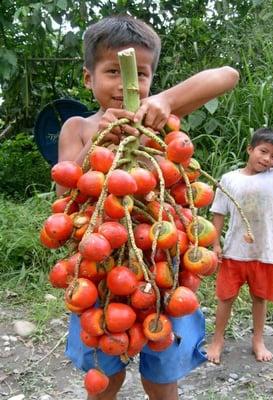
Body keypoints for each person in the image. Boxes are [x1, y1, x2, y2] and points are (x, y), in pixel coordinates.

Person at [57, 14, 239, 400]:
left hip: (164, 272)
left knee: (162, 375)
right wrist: (103, 137)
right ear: (88, 78)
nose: (128, 84)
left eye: (140, 74)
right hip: (99, 273)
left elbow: (228, 75)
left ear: (151, 80)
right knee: (104, 374)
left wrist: (167, 101)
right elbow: (66, 185)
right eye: (113, 71)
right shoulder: (78, 127)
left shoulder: (156, 119)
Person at [207, 127, 273, 365]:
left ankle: (258, 340)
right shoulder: (229, 178)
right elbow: (218, 213)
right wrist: (215, 243)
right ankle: (217, 340)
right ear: (250, 149)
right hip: (234, 250)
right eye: (263, 151)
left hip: (264, 252)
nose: (267, 159)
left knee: (260, 297)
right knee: (225, 297)